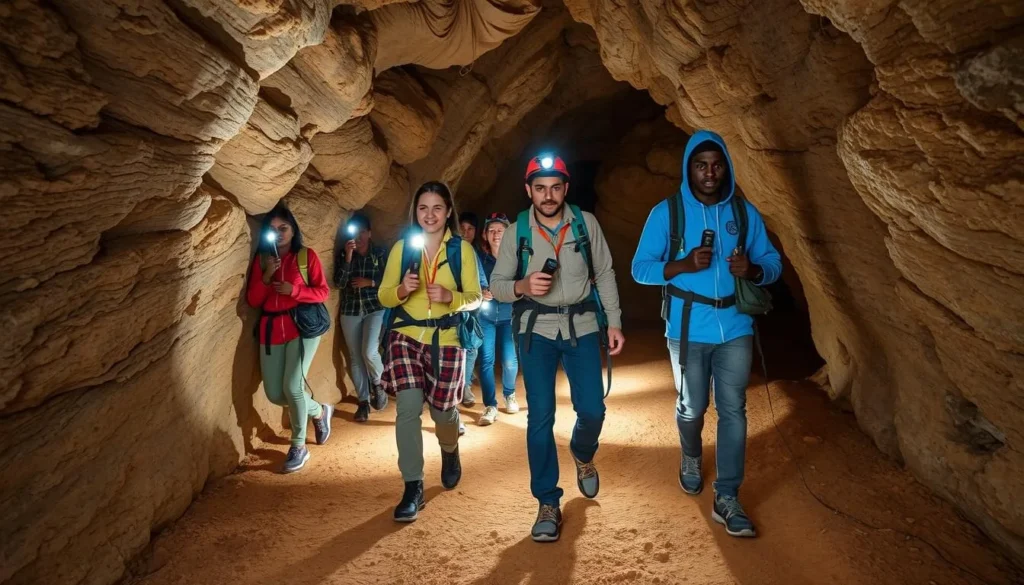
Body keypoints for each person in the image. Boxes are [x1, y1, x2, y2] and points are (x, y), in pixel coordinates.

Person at [631, 130, 782, 538]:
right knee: (692, 406)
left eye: (716, 164)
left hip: (735, 326)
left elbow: (772, 263)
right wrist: (681, 265)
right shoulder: (668, 213)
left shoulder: (744, 212)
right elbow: (639, 268)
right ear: (689, 169)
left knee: (733, 409)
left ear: (726, 167)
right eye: (701, 165)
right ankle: (692, 455)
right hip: (687, 326)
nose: (709, 172)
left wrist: (752, 270)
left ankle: (728, 496)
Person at [490, 154, 625, 542]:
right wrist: (520, 286)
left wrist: (613, 321)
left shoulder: (585, 223)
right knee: (541, 418)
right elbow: (498, 284)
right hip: (536, 329)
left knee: (593, 409)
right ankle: (547, 500)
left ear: (566, 188)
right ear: (528, 190)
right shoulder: (518, 231)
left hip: (581, 325)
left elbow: (604, 272)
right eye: (539, 188)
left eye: (554, 187)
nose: (547, 195)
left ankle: (583, 453)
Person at [378, 181, 483, 522]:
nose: (430, 214)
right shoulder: (402, 248)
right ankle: (413, 486)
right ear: (416, 212)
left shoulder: (461, 250)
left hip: (447, 337)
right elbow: (383, 296)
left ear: (448, 211)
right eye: (423, 208)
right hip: (405, 334)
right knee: (408, 409)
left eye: (437, 208)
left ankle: (449, 450)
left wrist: (451, 297)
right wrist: (400, 290)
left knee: (442, 413)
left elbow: (476, 296)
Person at [246, 202, 334, 474]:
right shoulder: (263, 261)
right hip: (271, 330)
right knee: (275, 393)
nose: (279, 233)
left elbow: (322, 293)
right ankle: (318, 411)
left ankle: (298, 446)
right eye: (273, 229)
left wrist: (294, 290)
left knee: (293, 386)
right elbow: (254, 299)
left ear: (294, 230)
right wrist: (268, 275)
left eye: (283, 227)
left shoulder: (306, 257)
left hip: (301, 327)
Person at [334, 212, 388, 423]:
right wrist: (347, 257)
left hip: (375, 307)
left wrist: (370, 283)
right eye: (355, 232)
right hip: (351, 309)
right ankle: (363, 402)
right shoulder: (344, 253)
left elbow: (389, 280)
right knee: (355, 357)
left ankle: (378, 384)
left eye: (363, 232)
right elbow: (339, 282)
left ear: (370, 233)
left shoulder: (380, 253)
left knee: (369, 351)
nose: (359, 236)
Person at [476, 212, 520, 425]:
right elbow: (468, 283)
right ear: (485, 234)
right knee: (486, 360)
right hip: (485, 317)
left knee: (510, 361)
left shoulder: (516, 258)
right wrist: (481, 292)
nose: (495, 234)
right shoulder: (478, 259)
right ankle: (490, 405)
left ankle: (509, 394)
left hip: (509, 316)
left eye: (500, 230)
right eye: (491, 230)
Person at [458, 211, 486, 408]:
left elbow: (482, 280)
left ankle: (465, 386)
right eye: (462, 229)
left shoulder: (474, 253)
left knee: (471, 348)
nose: (465, 233)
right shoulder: (450, 249)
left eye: (470, 229)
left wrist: (484, 291)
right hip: (450, 306)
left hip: (470, 309)